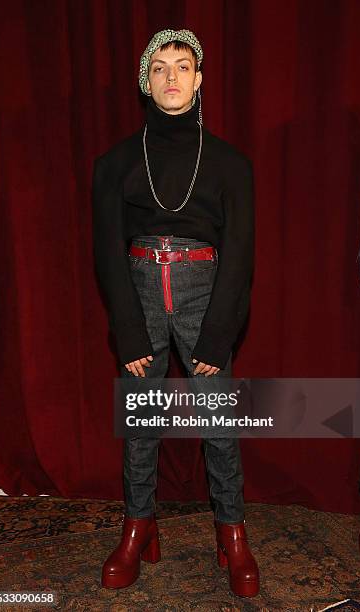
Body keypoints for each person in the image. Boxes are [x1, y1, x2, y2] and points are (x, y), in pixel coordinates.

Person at [92, 28, 259, 598]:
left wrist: (218, 334)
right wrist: (127, 328)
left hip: (205, 292)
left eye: (182, 66)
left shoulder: (231, 164)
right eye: (159, 66)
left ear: (199, 78)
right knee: (141, 424)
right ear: (146, 80)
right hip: (139, 290)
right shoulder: (114, 163)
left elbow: (241, 255)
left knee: (219, 425)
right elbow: (106, 251)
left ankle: (231, 534)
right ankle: (139, 526)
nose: (171, 76)